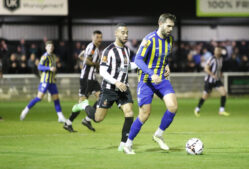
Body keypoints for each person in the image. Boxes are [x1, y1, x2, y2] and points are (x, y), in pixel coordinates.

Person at [72, 23, 137, 152]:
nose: (125, 35)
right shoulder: (109, 50)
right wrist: (116, 82)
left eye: (127, 33)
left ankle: (124, 144)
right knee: (98, 118)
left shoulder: (127, 50)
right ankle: (84, 105)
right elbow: (102, 71)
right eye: (123, 33)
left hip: (123, 88)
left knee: (129, 112)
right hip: (109, 89)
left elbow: (127, 66)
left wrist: (140, 65)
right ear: (116, 34)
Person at [123, 13, 178, 154]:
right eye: (168, 26)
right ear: (160, 23)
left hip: (161, 80)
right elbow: (138, 60)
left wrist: (166, 67)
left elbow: (164, 58)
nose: (171, 29)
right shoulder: (149, 40)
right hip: (146, 81)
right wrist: (151, 74)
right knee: (144, 114)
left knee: (173, 107)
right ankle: (128, 144)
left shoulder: (170, 40)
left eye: (172, 26)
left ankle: (159, 134)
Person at [63, 30, 103, 132]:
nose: (99, 39)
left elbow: (81, 56)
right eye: (97, 37)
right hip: (86, 79)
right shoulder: (92, 47)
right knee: (82, 102)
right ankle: (68, 123)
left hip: (92, 78)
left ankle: (87, 119)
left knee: (101, 97)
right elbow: (86, 60)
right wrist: (96, 65)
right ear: (92, 37)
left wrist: (94, 65)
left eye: (100, 37)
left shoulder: (93, 48)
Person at [20, 41, 66, 122]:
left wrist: (54, 75)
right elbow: (39, 67)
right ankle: (25, 111)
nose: (50, 48)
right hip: (45, 81)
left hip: (52, 81)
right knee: (39, 98)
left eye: (52, 46)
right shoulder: (44, 57)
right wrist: (49, 68)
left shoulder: (54, 56)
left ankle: (60, 116)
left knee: (56, 99)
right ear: (46, 48)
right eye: (49, 46)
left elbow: (53, 68)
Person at [194, 47, 230, 117]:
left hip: (217, 80)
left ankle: (221, 110)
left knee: (224, 93)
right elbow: (206, 69)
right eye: (215, 50)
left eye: (218, 50)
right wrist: (212, 75)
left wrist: (220, 74)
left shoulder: (221, 59)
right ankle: (197, 109)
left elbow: (219, 69)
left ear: (220, 51)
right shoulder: (212, 58)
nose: (216, 51)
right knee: (205, 96)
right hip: (209, 80)